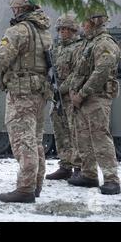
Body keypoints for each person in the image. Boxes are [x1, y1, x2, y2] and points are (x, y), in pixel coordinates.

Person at [0, 0, 52, 203]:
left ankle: (25, 188)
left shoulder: (18, 31)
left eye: (14, 6)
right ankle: (36, 184)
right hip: (40, 91)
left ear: (19, 6)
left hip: (21, 93)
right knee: (36, 139)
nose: (12, 10)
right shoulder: (44, 31)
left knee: (23, 140)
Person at [68, 8, 121, 195]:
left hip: (96, 98)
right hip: (84, 99)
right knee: (83, 137)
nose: (82, 25)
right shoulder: (90, 43)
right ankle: (88, 174)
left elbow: (102, 72)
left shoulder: (104, 43)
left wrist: (81, 94)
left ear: (94, 21)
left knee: (100, 137)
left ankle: (111, 179)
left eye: (85, 22)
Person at [46, 13, 83, 180]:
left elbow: (78, 73)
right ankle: (65, 165)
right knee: (60, 132)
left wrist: (62, 89)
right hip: (57, 96)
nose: (63, 32)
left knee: (75, 132)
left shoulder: (79, 47)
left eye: (67, 29)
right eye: (61, 29)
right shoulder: (56, 47)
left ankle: (79, 168)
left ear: (74, 30)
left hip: (71, 96)